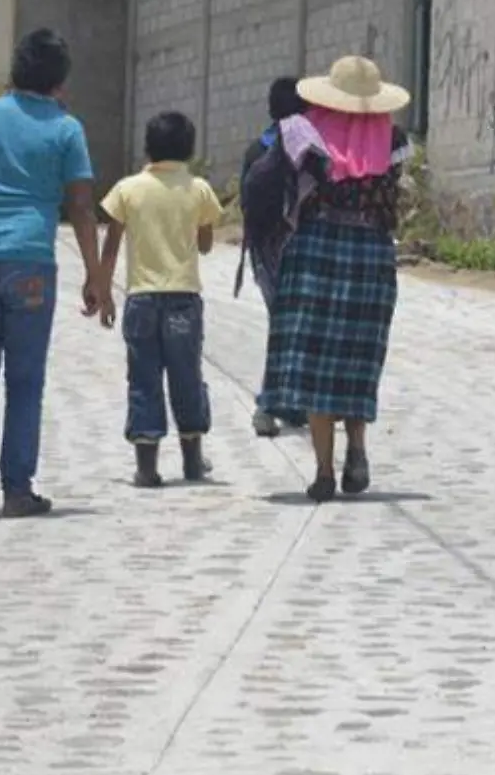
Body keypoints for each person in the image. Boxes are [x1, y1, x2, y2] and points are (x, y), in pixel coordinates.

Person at [0, 29, 111, 517]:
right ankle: (17, 489)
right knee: (26, 376)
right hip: (31, 258)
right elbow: (81, 207)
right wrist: (96, 275)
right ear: (60, 80)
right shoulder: (65, 129)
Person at [256, 56, 412, 502]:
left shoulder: (306, 134)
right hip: (371, 253)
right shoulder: (393, 140)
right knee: (355, 356)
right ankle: (357, 446)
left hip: (316, 249)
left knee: (315, 356)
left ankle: (324, 471)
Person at [100, 111, 224, 487]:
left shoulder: (127, 188)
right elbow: (204, 246)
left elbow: (111, 247)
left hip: (140, 298)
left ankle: (147, 467)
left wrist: (104, 294)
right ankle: (192, 459)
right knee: (187, 377)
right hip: (184, 297)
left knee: (143, 378)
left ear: (147, 147)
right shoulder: (199, 188)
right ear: (189, 148)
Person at [238, 77, 310, 438]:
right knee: (292, 326)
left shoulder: (256, 148)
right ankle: (269, 405)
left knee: (281, 324)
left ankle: (290, 404)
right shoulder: (307, 147)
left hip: (263, 250)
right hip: (296, 246)